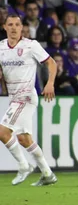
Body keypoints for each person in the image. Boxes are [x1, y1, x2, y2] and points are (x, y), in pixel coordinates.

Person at [0, 14, 58, 186]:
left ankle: (24, 166)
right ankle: (47, 174)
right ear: (4, 27)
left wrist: (50, 84)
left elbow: (52, 63)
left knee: (3, 132)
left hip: (25, 97)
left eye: (17, 24)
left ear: (22, 27)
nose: (14, 28)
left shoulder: (31, 46)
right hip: (14, 97)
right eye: (10, 24)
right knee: (25, 139)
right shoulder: (1, 47)